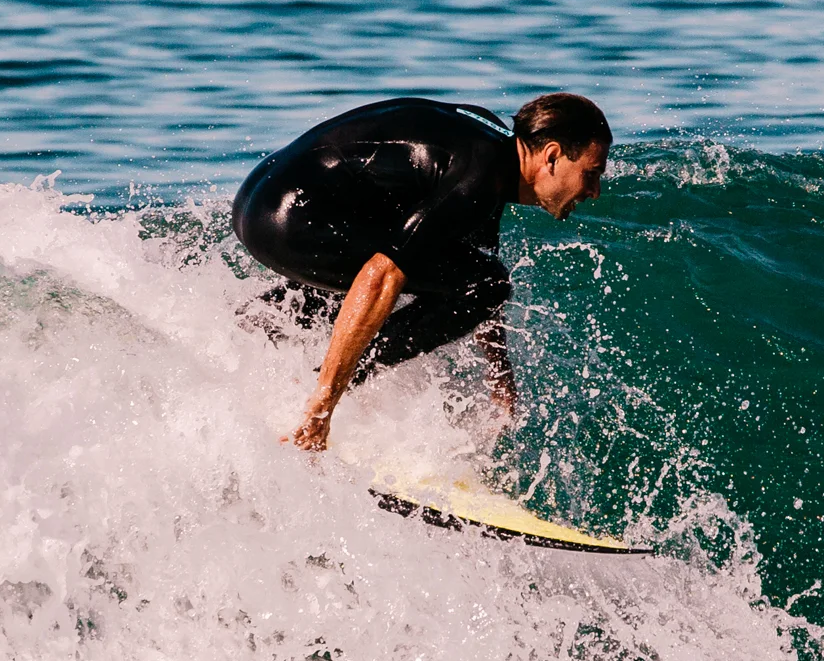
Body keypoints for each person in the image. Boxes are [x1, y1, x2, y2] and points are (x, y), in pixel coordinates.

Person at [230, 92, 611, 451]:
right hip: (288, 221)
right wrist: (323, 406)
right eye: (591, 173)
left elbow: (473, 268)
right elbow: (382, 277)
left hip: (260, 199)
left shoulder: (494, 152)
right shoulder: (477, 179)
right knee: (416, 273)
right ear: (552, 155)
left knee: (448, 267)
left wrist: (500, 381)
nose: (594, 191)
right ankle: (313, 396)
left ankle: (252, 325)